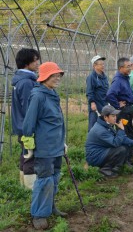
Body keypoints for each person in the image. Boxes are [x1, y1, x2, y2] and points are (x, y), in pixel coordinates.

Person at [22, 62, 67, 230]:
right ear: (44, 77)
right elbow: (28, 123)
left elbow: (57, 121)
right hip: (44, 148)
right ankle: (39, 214)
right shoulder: (38, 96)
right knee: (44, 180)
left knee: (54, 177)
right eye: (54, 75)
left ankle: (50, 207)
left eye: (59, 75)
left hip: (56, 146)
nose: (58, 78)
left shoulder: (52, 93)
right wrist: (29, 145)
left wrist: (63, 141)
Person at [85, 105, 133, 178]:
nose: (115, 118)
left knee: (125, 145)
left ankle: (118, 167)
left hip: (101, 152)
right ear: (106, 117)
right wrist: (121, 129)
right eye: (113, 116)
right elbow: (116, 143)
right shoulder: (101, 130)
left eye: (115, 115)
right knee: (121, 149)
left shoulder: (106, 125)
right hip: (94, 157)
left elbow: (120, 138)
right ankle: (106, 169)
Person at [11, 48, 40, 190]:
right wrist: (33, 129)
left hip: (20, 125)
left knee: (25, 154)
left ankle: (23, 185)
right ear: (26, 63)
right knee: (31, 156)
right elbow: (30, 109)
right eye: (35, 60)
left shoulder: (20, 80)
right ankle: (31, 188)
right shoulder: (27, 83)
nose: (37, 63)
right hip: (27, 128)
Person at [106, 57, 133, 141]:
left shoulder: (125, 77)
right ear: (120, 68)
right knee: (124, 132)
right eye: (128, 66)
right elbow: (109, 94)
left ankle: (132, 152)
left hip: (127, 110)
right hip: (123, 112)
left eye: (130, 66)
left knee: (129, 131)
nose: (130, 68)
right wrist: (117, 105)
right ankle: (125, 152)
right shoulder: (118, 80)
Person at [86, 55, 109, 131]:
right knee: (93, 125)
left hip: (104, 104)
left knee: (104, 125)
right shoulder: (91, 77)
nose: (103, 66)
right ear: (94, 66)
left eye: (103, 64)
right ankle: (91, 141)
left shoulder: (104, 77)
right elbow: (90, 91)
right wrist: (92, 103)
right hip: (96, 105)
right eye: (101, 64)